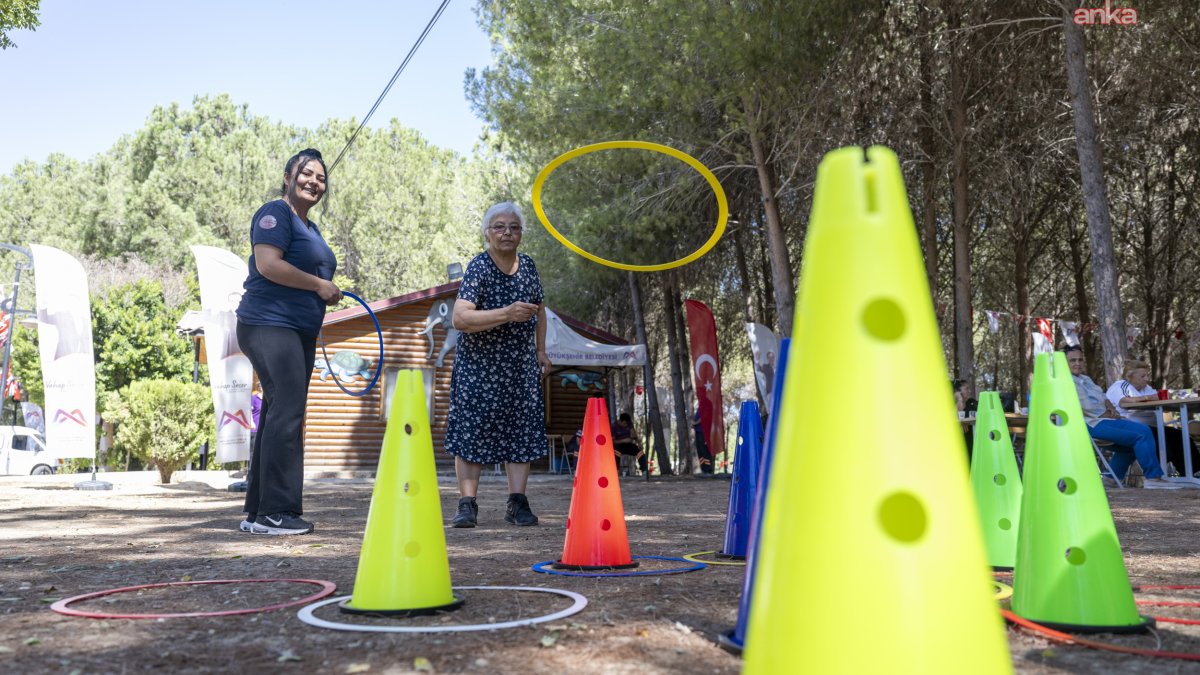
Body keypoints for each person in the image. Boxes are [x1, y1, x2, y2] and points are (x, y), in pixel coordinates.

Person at [235, 149, 341, 535]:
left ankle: (258, 512)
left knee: (280, 411)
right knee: (288, 410)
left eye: (321, 177)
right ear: (287, 177)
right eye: (306, 173)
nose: (315, 181)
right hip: (267, 323)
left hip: (297, 330)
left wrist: (323, 293)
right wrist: (319, 285)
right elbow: (268, 264)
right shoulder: (274, 214)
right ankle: (277, 512)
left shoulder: (310, 228)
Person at [446, 201, 550, 528]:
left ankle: (517, 504)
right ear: (487, 233)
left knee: (522, 430)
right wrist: (506, 313)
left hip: (519, 364)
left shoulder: (529, 265)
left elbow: (539, 309)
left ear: (521, 233)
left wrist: (541, 350)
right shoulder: (479, 267)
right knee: (471, 431)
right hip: (479, 367)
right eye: (499, 227)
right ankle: (467, 504)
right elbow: (460, 318)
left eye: (514, 227)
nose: (507, 233)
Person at [1064, 346, 1176, 488]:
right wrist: (1107, 414)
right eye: (1072, 360)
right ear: (1064, 363)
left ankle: (1111, 478)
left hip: (1104, 419)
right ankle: (1153, 478)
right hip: (1089, 423)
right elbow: (1084, 406)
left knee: (1131, 443)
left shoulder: (1085, 379)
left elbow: (1104, 397)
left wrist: (1111, 410)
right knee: (1142, 432)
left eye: (1080, 359)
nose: (1077, 363)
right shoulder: (1065, 381)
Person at [1105, 359, 1200, 476]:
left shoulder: (1146, 388)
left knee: (1179, 435)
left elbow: (1157, 396)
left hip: (1152, 426)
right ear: (1130, 376)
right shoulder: (1121, 385)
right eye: (1142, 376)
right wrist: (1149, 398)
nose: (1146, 379)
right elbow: (1124, 402)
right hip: (1130, 426)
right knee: (1162, 438)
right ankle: (1160, 475)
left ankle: (1192, 473)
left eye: (1147, 376)